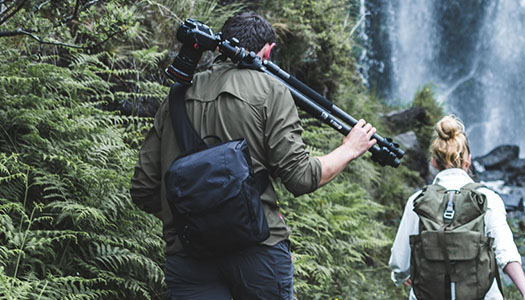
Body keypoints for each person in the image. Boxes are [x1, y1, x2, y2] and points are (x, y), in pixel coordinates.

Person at [130, 11, 378, 299]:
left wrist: (195, 214)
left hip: (188, 255)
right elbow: (301, 177)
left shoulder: (176, 96)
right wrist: (350, 148)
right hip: (258, 252)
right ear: (268, 51)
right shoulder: (270, 91)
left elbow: (143, 189)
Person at [389, 115, 525, 299]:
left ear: (433, 162)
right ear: (468, 160)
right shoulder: (488, 198)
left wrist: (401, 276)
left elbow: (399, 262)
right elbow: (506, 253)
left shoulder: (417, 201)